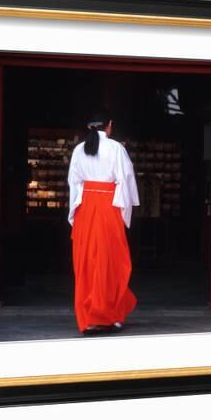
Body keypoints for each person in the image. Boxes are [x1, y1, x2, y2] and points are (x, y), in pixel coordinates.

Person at [67, 108, 140, 335]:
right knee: (112, 262)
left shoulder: (79, 150)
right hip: (108, 207)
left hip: (86, 208)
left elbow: (74, 183)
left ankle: (88, 317)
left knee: (86, 263)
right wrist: (125, 212)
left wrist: (74, 212)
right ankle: (111, 315)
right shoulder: (116, 148)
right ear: (109, 125)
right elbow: (126, 180)